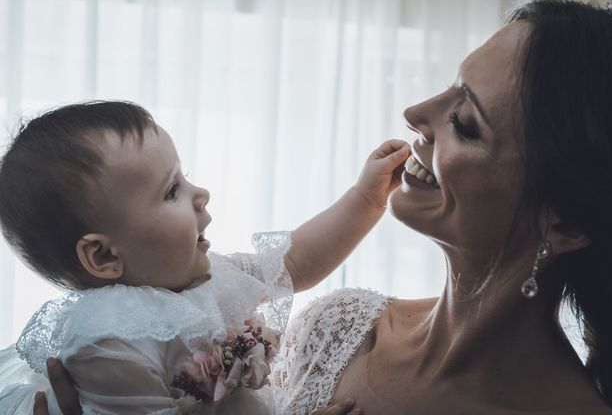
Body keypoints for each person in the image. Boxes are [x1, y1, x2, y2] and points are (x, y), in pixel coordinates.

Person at [32, 0, 612, 414]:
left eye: (464, 120)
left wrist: (360, 200)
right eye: (449, 87)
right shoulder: (335, 327)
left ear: (565, 221)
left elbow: (293, 260)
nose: (416, 114)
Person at [0, 100, 410, 414]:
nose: (201, 194)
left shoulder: (210, 278)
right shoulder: (108, 341)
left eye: (184, 176)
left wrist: (366, 200)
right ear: (104, 255)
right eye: (171, 191)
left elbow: (295, 263)